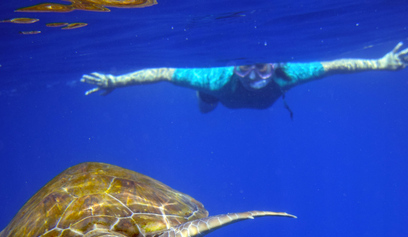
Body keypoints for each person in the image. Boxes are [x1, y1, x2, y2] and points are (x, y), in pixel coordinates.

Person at [81, 42, 408, 115]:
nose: (253, 75)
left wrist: (381, 63)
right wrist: (116, 82)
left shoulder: (289, 74)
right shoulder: (214, 79)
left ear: (274, 66)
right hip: (219, 98)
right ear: (234, 67)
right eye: (245, 68)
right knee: (205, 109)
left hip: (254, 99)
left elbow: (334, 65)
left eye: (262, 68)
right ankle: (204, 101)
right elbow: (163, 73)